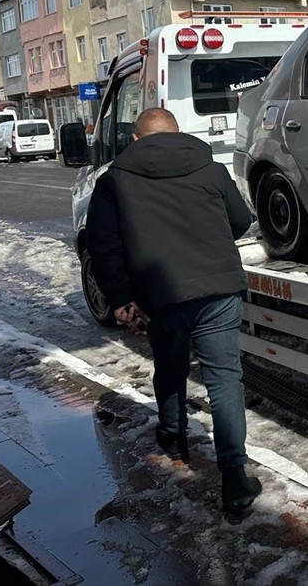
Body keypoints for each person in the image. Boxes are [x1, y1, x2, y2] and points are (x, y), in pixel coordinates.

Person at [86, 107, 262, 512]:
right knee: (224, 380)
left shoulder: (114, 180)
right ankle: (234, 476)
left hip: (158, 294)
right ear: (178, 134)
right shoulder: (210, 167)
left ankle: (173, 435)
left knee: (170, 365)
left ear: (135, 140)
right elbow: (239, 221)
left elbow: (104, 247)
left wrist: (120, 299)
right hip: (217, 288)